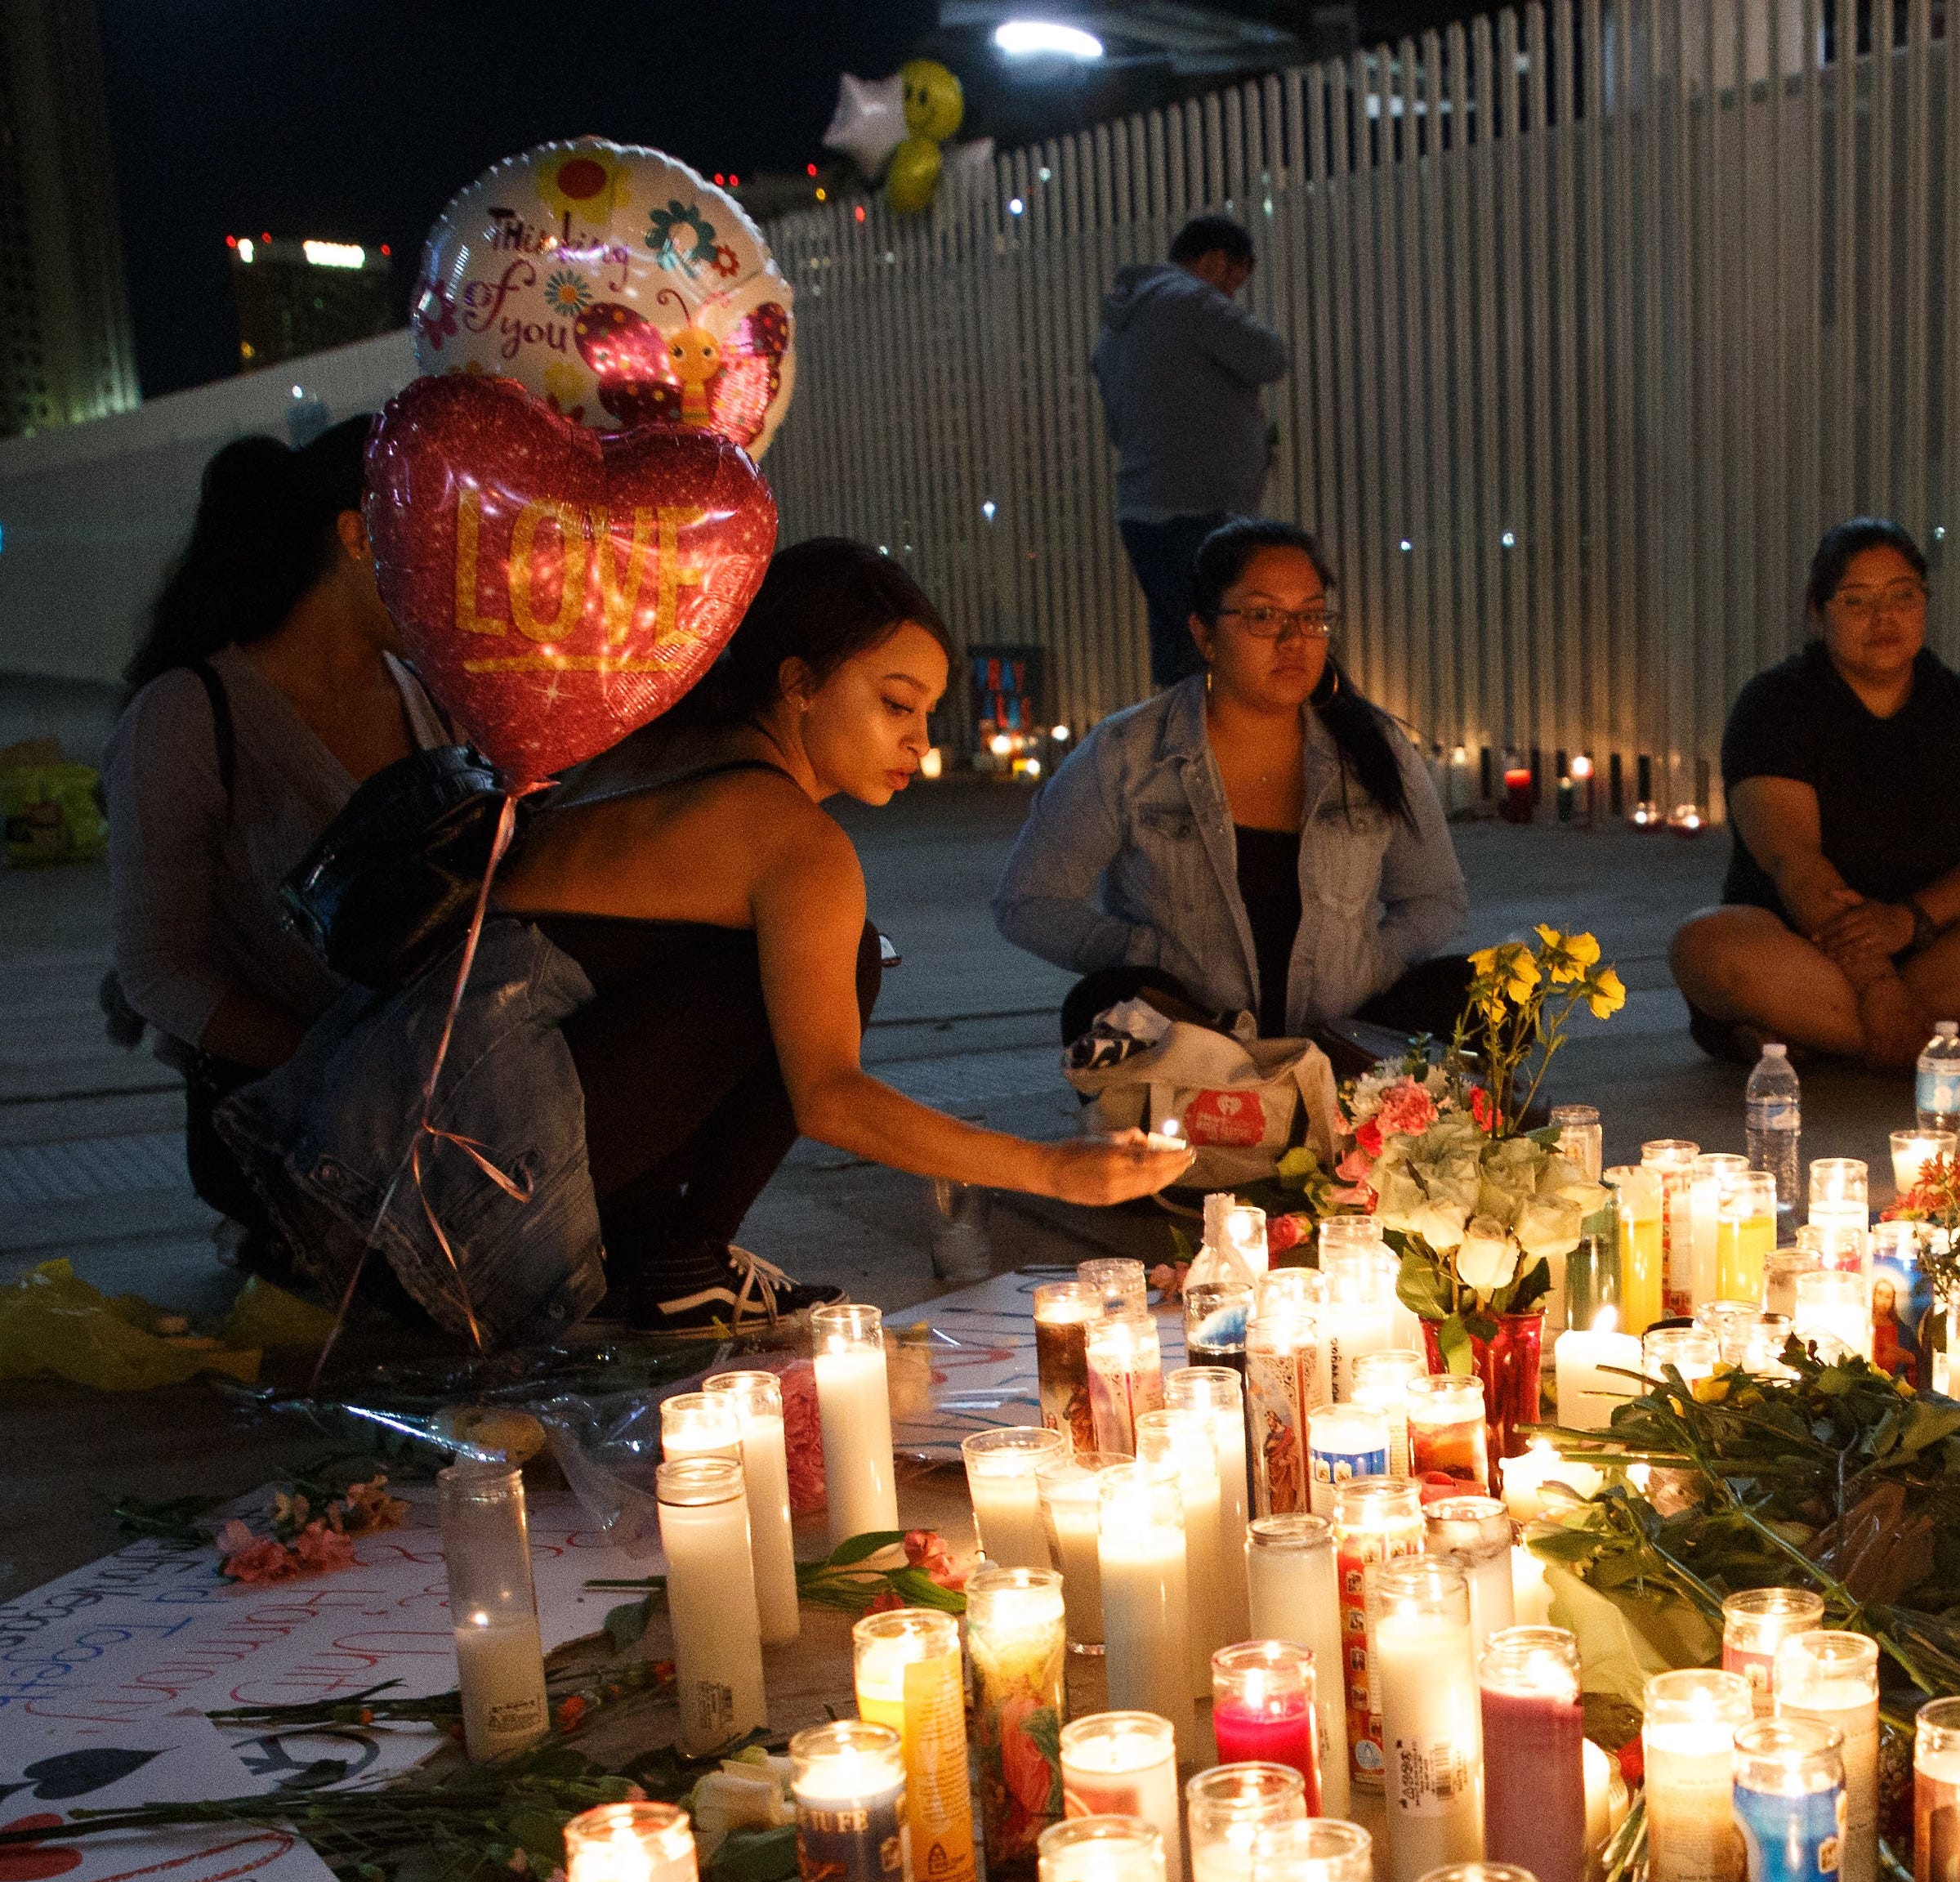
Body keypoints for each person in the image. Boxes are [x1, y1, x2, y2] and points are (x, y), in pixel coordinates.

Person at [222, 539, 1188, 1340]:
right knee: (840, 955)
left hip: (350, 1159)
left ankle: (661, 1258)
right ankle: (681, 1262)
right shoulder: (789, 841)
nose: (922, 743)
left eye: (928, 712)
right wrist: (1051, 1168)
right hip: (444, 1207)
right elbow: (830, 1098)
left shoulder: (646, 751)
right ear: (799, 682)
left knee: (799, 959)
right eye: (896, 704)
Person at [104, 418, 453, 1263]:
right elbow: (159, 971)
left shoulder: (430, 696)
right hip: (271, 1116)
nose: (459, 579)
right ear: (357, 533)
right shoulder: (189, 715)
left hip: (443, 1096)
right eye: (439, 545)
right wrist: (341, 1066)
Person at [993, 517, 1469, 1052]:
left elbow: (1436, 899)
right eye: (1264, 616)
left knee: (1481, 998)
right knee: (1097, 1004)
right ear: (1205, 634)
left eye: (1312, 617)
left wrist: (1374, 961)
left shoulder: (1369, 746)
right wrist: (1142, 955)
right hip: (1197, 1051)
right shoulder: (1130, 751)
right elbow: (1028, 901)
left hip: (1340, 1044)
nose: (1294, 640)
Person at [1670, 517, 1960, 1079]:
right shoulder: (1775, 706)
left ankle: (1819, 1037)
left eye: (1902, 597)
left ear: (1925, 603)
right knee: (1706, 945)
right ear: (1818, 611)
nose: (1884, 618)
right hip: (1803, 949)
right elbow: (1795, 861)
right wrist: (1875, 980)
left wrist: (1908, 922)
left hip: (1936, 949)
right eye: (1857, 601)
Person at [1092, 212, 1288, 687]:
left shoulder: (1116, 329)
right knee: (1223, 658)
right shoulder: (1190, 300)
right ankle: (1215, 760)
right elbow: (1269, 356)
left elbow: (1120, 429)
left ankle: (1177, 756)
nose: (1231, 297)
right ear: (1217, 260)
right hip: (1200, 511)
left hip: (1141, 511)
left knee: (1179, 656)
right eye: (1233, 285)